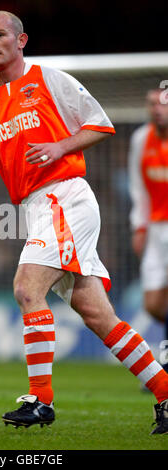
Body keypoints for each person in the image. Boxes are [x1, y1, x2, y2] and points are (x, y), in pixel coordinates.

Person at [0, 10, 168, 434]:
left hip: (65, 196)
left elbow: (100, 124)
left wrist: (59, 146)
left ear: (21, 40)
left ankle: (41, 401)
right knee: (97, 315)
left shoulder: (50, 79)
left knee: (27, 287)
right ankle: (166, 392)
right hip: (35, 207)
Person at [129, 88, 168, 376]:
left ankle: (164, 368)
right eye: (151, 103)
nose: (156, 109)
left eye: (162, 104)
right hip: (155, 230)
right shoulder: (142, 139)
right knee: (153, 304)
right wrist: (139, 226)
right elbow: (137, 187)